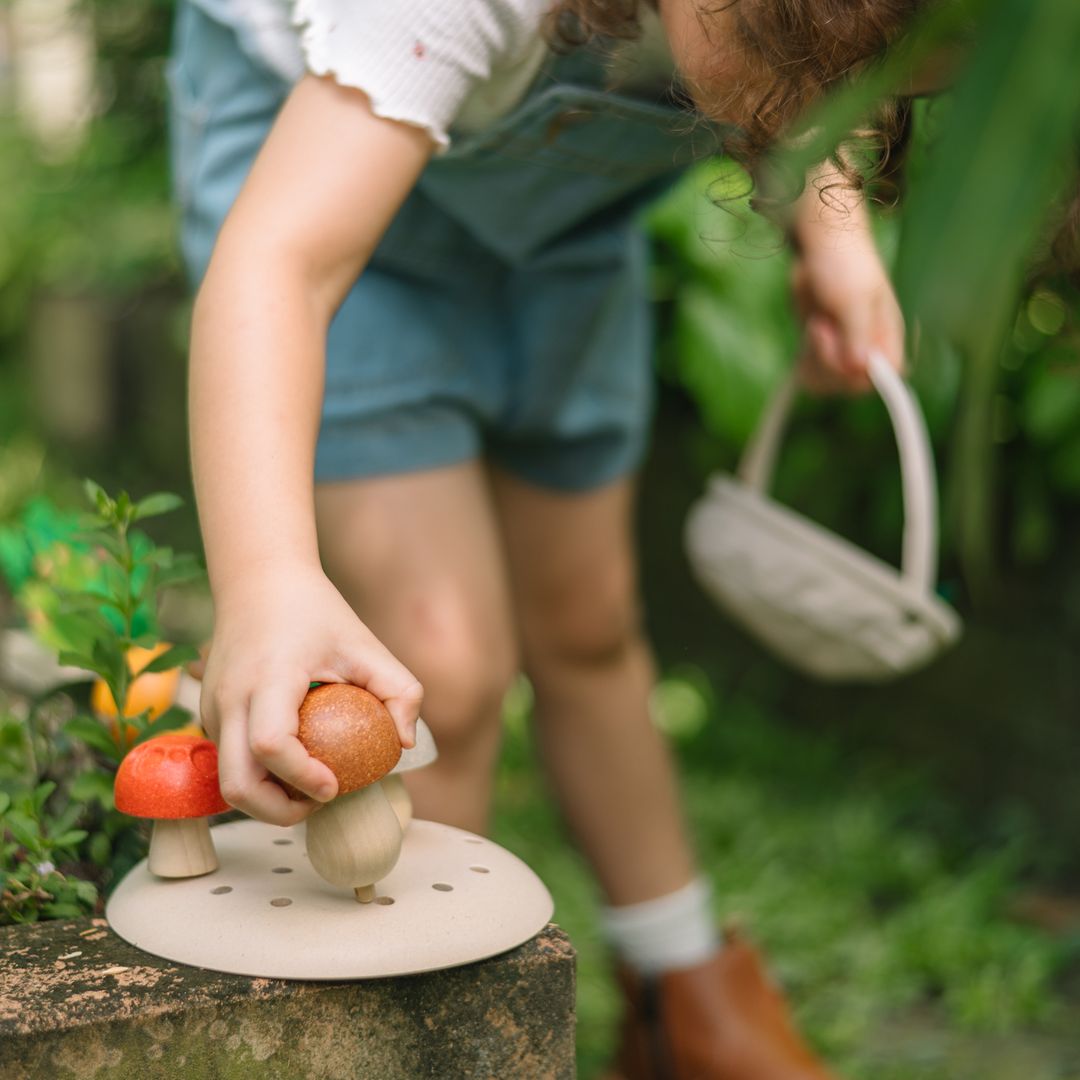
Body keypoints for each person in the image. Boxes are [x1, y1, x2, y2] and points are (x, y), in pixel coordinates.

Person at [174, 1, 926, 1075]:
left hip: (555, 232)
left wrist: (831, 227)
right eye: (788, 51)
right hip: (320, 199)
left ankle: (685, 993)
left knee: (588, 621)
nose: (818, 102)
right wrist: (265, 581)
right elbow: (282, 267)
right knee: (446, 661)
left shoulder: (778, 26)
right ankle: (412, 1030)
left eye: (871, 79)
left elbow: (817, 48)